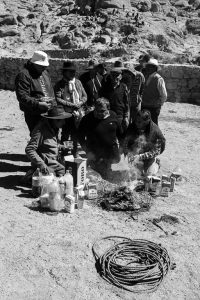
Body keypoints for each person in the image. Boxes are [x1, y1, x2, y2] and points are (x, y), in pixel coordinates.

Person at [78, 98, 122, 178]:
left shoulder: (113, 115)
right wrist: (87, 150)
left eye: (102, 111)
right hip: (96, 156)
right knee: (98, 178)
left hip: (112, 154)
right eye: (96, 110)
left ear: (108, 109)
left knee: (114, 177)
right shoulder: (87, 119)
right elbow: (80, 136)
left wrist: (122, 149)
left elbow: (120, 134)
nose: (98, 113)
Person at [15, 50, 55, 134]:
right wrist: (38, 103)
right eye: (41, 66)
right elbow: (22, 96)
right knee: (38, 138)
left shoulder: (45, 73)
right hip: (34, 114)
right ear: (34, 63)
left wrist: (54, 105)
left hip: (50, 111)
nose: (44, 68)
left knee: (52, 137)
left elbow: (50, 89)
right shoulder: (24, 75)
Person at [25, 106, 72, 178]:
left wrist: (62, 147)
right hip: (46, 165)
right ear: (55, 120)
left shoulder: (54, 128)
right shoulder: (40, 131)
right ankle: (32, 175)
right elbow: (29, 149)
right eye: (62, 120)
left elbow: (48, 145)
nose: (64, 122)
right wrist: (42, 165)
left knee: (70, 172)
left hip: (54, 163)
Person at [54, 61, 87, 157]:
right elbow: (58, 99)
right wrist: (71, 105)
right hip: (66, 113)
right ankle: (64, 152)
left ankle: (74, 151)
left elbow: (85, 96)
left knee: (75, 134)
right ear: (64, 72)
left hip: (78, 113)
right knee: (65, 134)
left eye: (73, 72)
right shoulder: (59, 84)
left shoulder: (78, 82)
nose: (73, 74)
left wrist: (80, 103)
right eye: (70, 72)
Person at [123, 109, 165, 177]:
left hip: (147, 157)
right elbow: (126, 141)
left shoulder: (155, 131)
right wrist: (128, 152)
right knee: (133, 175)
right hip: (135, 156)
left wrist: (140, 156)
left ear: (147, 122)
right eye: (136, 120)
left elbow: (156, 151)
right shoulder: (132, 126)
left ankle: (156, 164)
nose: (136, 123)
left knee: (148, 175)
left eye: (139, 122)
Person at [99, 67, 129, 132]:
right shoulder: (105, 87)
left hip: (119, 115)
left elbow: (126, 102)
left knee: (120, 134)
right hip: (108, 115)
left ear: (120, 77)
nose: (115, 77)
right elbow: (101, 101)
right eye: (113, 75)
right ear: (110, 76)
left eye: (117, 75)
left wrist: (126, 116)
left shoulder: (124, 87)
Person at [141, 58, 167, 125]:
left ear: (155, 68)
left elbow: (164, 95)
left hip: (154, 107)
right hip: (144, 105)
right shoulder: (145, 76)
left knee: (153, 125)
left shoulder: (159, 79)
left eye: (150, 67)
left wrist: (159, 105)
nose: (148, 68)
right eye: (148, 66)